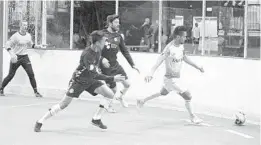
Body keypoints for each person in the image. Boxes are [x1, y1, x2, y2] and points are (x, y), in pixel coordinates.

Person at [34, 30, 126, 132]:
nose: (105, 43)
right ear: (97, 42)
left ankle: (96, 119)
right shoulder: (87, 54)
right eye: (104, 41)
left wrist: (102, 60)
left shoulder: (98, 50)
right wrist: (112, 78)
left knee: (109, 94)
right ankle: (40, 121)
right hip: (79, 81)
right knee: (63, 104)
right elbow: (94, 74)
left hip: (90, 80)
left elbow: (95, 65)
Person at [137, 26, 204, 124]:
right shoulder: (169, 48)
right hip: (171, 79)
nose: (185, 38)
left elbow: (185, 58)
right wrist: (151, 73)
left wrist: (197, 67)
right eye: (184, 37)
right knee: (188, 96)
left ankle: (142, 101)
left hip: (174, 78)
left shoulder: (181, 46)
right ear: (177, 37)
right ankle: (193, 117)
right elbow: (159, 61)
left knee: (163, 93)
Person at [100, 14, 139, 113]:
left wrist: (132, 64)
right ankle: (107, 106)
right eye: (116, 22)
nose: (118, 24)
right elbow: (94, 50)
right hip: (105, 66)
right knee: (113, 89)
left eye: (118, 22)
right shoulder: (101, 35)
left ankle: (120, 97)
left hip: (115, 64)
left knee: (127, 84)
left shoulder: (118, 36)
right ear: (110, 23)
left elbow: (125, 51)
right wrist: (101, 59)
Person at [0, 20, 45, 97]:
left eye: (26, 25)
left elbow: (31, 45)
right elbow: (7, 45)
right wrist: (12, 54)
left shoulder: (28, 35)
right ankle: (1, 89)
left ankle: (36, 92)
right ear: (20, 26)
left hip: (25, 57)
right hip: (16, 57)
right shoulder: (15, 36)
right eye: (24, 25)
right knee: (11, 75)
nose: (25, 26)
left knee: (31, 74)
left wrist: (39, 46)